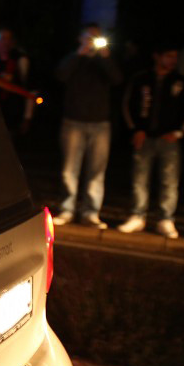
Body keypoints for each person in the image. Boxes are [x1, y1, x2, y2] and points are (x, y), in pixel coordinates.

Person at [118, 42, 184, 239]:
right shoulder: (141, 79)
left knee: (169, 180)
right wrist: (136, 130)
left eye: (175, 57)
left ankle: (166, 219)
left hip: (169, 139)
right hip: (144, 136)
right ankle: (137, 215)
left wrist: (179, 132)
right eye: (168, 56)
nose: (172, 61)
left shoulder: (181, 81)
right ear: (157, 56)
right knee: (139, 178)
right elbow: (128, 104)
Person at [54, 24, 122, 228]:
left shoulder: (104, 60)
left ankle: (91, 213)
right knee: (69, 170)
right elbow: (60, 76)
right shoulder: (74, 59)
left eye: (96, 37)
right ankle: (67, 209)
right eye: (89, 37)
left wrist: (105, 58)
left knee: (96, 171)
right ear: (80, 38)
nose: (92, 41)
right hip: (73, 121)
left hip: (100, 123)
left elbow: (117, 79)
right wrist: (78, 55)